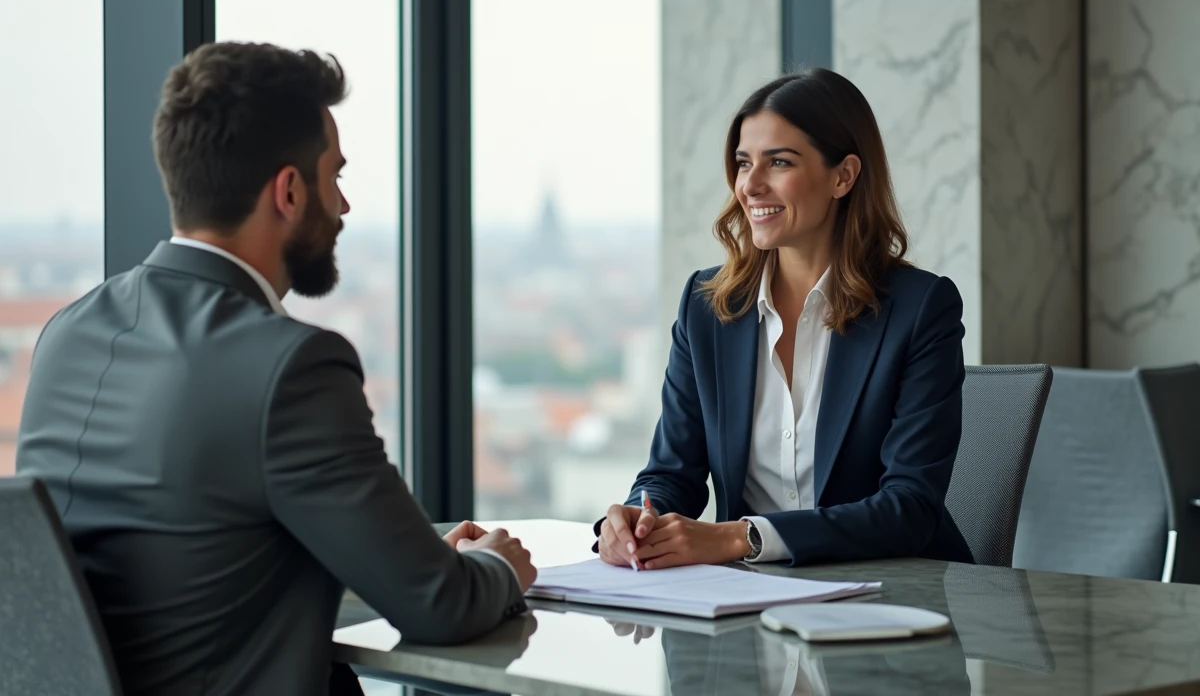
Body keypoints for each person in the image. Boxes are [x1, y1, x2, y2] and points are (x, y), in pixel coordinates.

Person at [16, 41, 536, 696]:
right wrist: (496, 567)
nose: (343, 206)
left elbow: (192, 542)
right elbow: (438, 604)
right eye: (335, 177)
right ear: (289, 191)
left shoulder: (69, 333)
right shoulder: (290, 367)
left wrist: (414, 551)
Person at [597, 68, 973, 570]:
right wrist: (637, 520)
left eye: (779, 162)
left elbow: (909, 508)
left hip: (893, 603)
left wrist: (743, 538)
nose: (749, 185)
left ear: (843, 176)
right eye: (743, 162)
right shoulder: (707, 307)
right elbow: (671, 475)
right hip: (753, 606)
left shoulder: (921, 308)